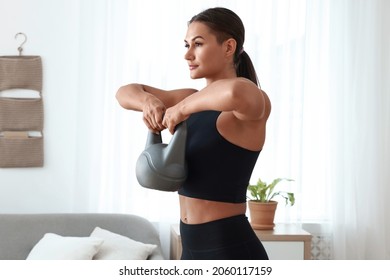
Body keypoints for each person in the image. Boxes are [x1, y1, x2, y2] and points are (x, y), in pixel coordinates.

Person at [116, 7, 270, 260]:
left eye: (197, 44)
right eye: (186, 45)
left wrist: (180, 109)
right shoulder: (191, 97)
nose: (188, 54)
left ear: (229, 47)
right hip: (191, 248)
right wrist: (148, 102)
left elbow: (235, 92)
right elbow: (124, 92)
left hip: (229, 249)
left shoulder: (253, 102)